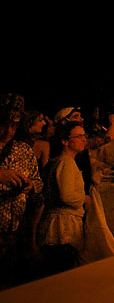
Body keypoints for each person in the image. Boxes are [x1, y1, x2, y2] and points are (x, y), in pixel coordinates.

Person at [0, 93, 43, 288]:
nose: (8, 131)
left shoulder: (22, 150)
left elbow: (38, 182)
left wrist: (31, 185)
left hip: (14, 237)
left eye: (14, 125)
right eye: (3, 123)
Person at [38, 121, 89, 275]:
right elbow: (66, 195)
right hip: (62, 227)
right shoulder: (65, 163)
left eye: (84, 135)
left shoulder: (58, 162)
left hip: (57, 224)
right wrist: (84, 199)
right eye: (79, 136)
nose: (84, 139)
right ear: (65, 141)